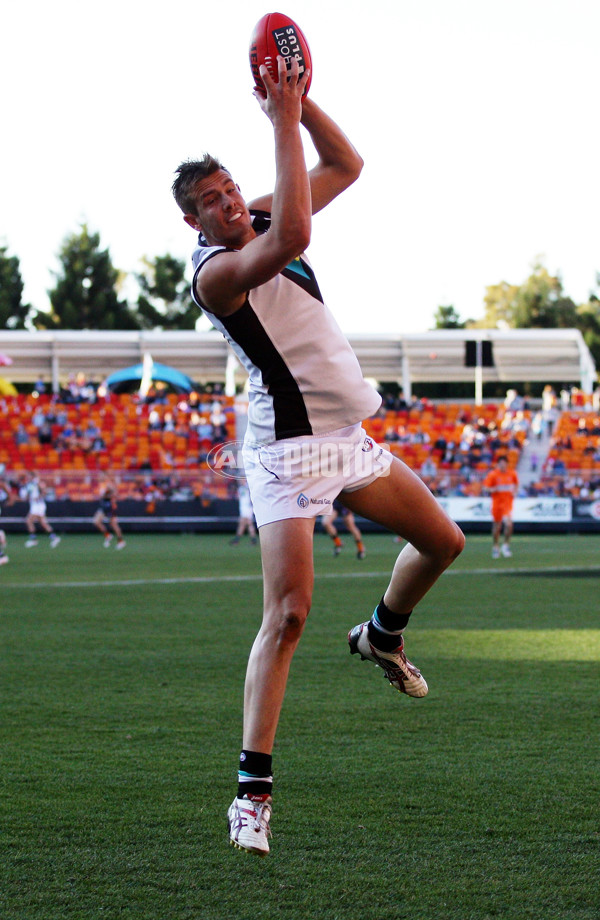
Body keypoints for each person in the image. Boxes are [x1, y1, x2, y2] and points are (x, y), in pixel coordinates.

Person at [172, 55, 464, 857]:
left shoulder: (261, 210)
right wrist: (279, 117)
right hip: (287, 453)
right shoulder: (216, 272)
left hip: (347, 440)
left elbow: (346, 167)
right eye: (210, 204)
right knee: (290, 614)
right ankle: (251, 797)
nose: (229, 204)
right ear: (193, 227)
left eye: (230, 189)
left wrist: (300, 104)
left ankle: (381, 634)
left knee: (444, 543)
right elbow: (297, 229)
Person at [483, 455, 519, 558]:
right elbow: (486, 487)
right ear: (498, 464)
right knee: (497, 526)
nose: (503, 465)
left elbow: (516, 484)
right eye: (501, 463)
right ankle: (495, 546)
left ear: (507, 464)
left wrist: (515, 492)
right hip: (497, 504)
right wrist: (492, 490)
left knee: (508, 524)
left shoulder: (512, 474)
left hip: (507, 504)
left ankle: (506, 545)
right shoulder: (493, 475)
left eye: (504, 463)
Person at [23, 475, 60, 548]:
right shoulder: (30, 485)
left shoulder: (37, 483)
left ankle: (33, 539)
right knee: (43, 523)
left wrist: (38, 498)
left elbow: (44, 491)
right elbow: (29, 494)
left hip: (38, 506)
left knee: (28, 521)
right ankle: (54, 537)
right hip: (35, 505)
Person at [93, 483, 126, 549]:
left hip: (110, 509)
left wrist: (109, 491)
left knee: (114, 525)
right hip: (103, 508)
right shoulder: (105, 488)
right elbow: (103, 496)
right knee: (96, 522)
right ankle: (108, 535)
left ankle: (121, 541)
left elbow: (113, 495)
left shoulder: (110, 489)